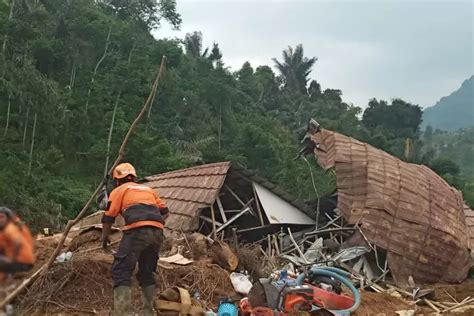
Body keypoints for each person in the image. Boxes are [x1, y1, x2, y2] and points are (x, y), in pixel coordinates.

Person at [101, 163, 169, 316]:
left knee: (121, 270)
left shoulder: (119, 190)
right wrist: (155, 224)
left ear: (117, 180)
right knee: (146, 271)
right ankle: (148, 312)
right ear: (133, 177)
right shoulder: (148, 189)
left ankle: (122, 313)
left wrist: (105, 238)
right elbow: (165, 211)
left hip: (137, 230)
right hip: (157, 231)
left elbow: (108, 216)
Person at [0, 207, 35, 281]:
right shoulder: (15, 226)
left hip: (21, 263)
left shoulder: (9, 228)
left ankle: (9, 274)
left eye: (2, 217)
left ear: (8, 218)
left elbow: (17, 242)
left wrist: (11, 259)